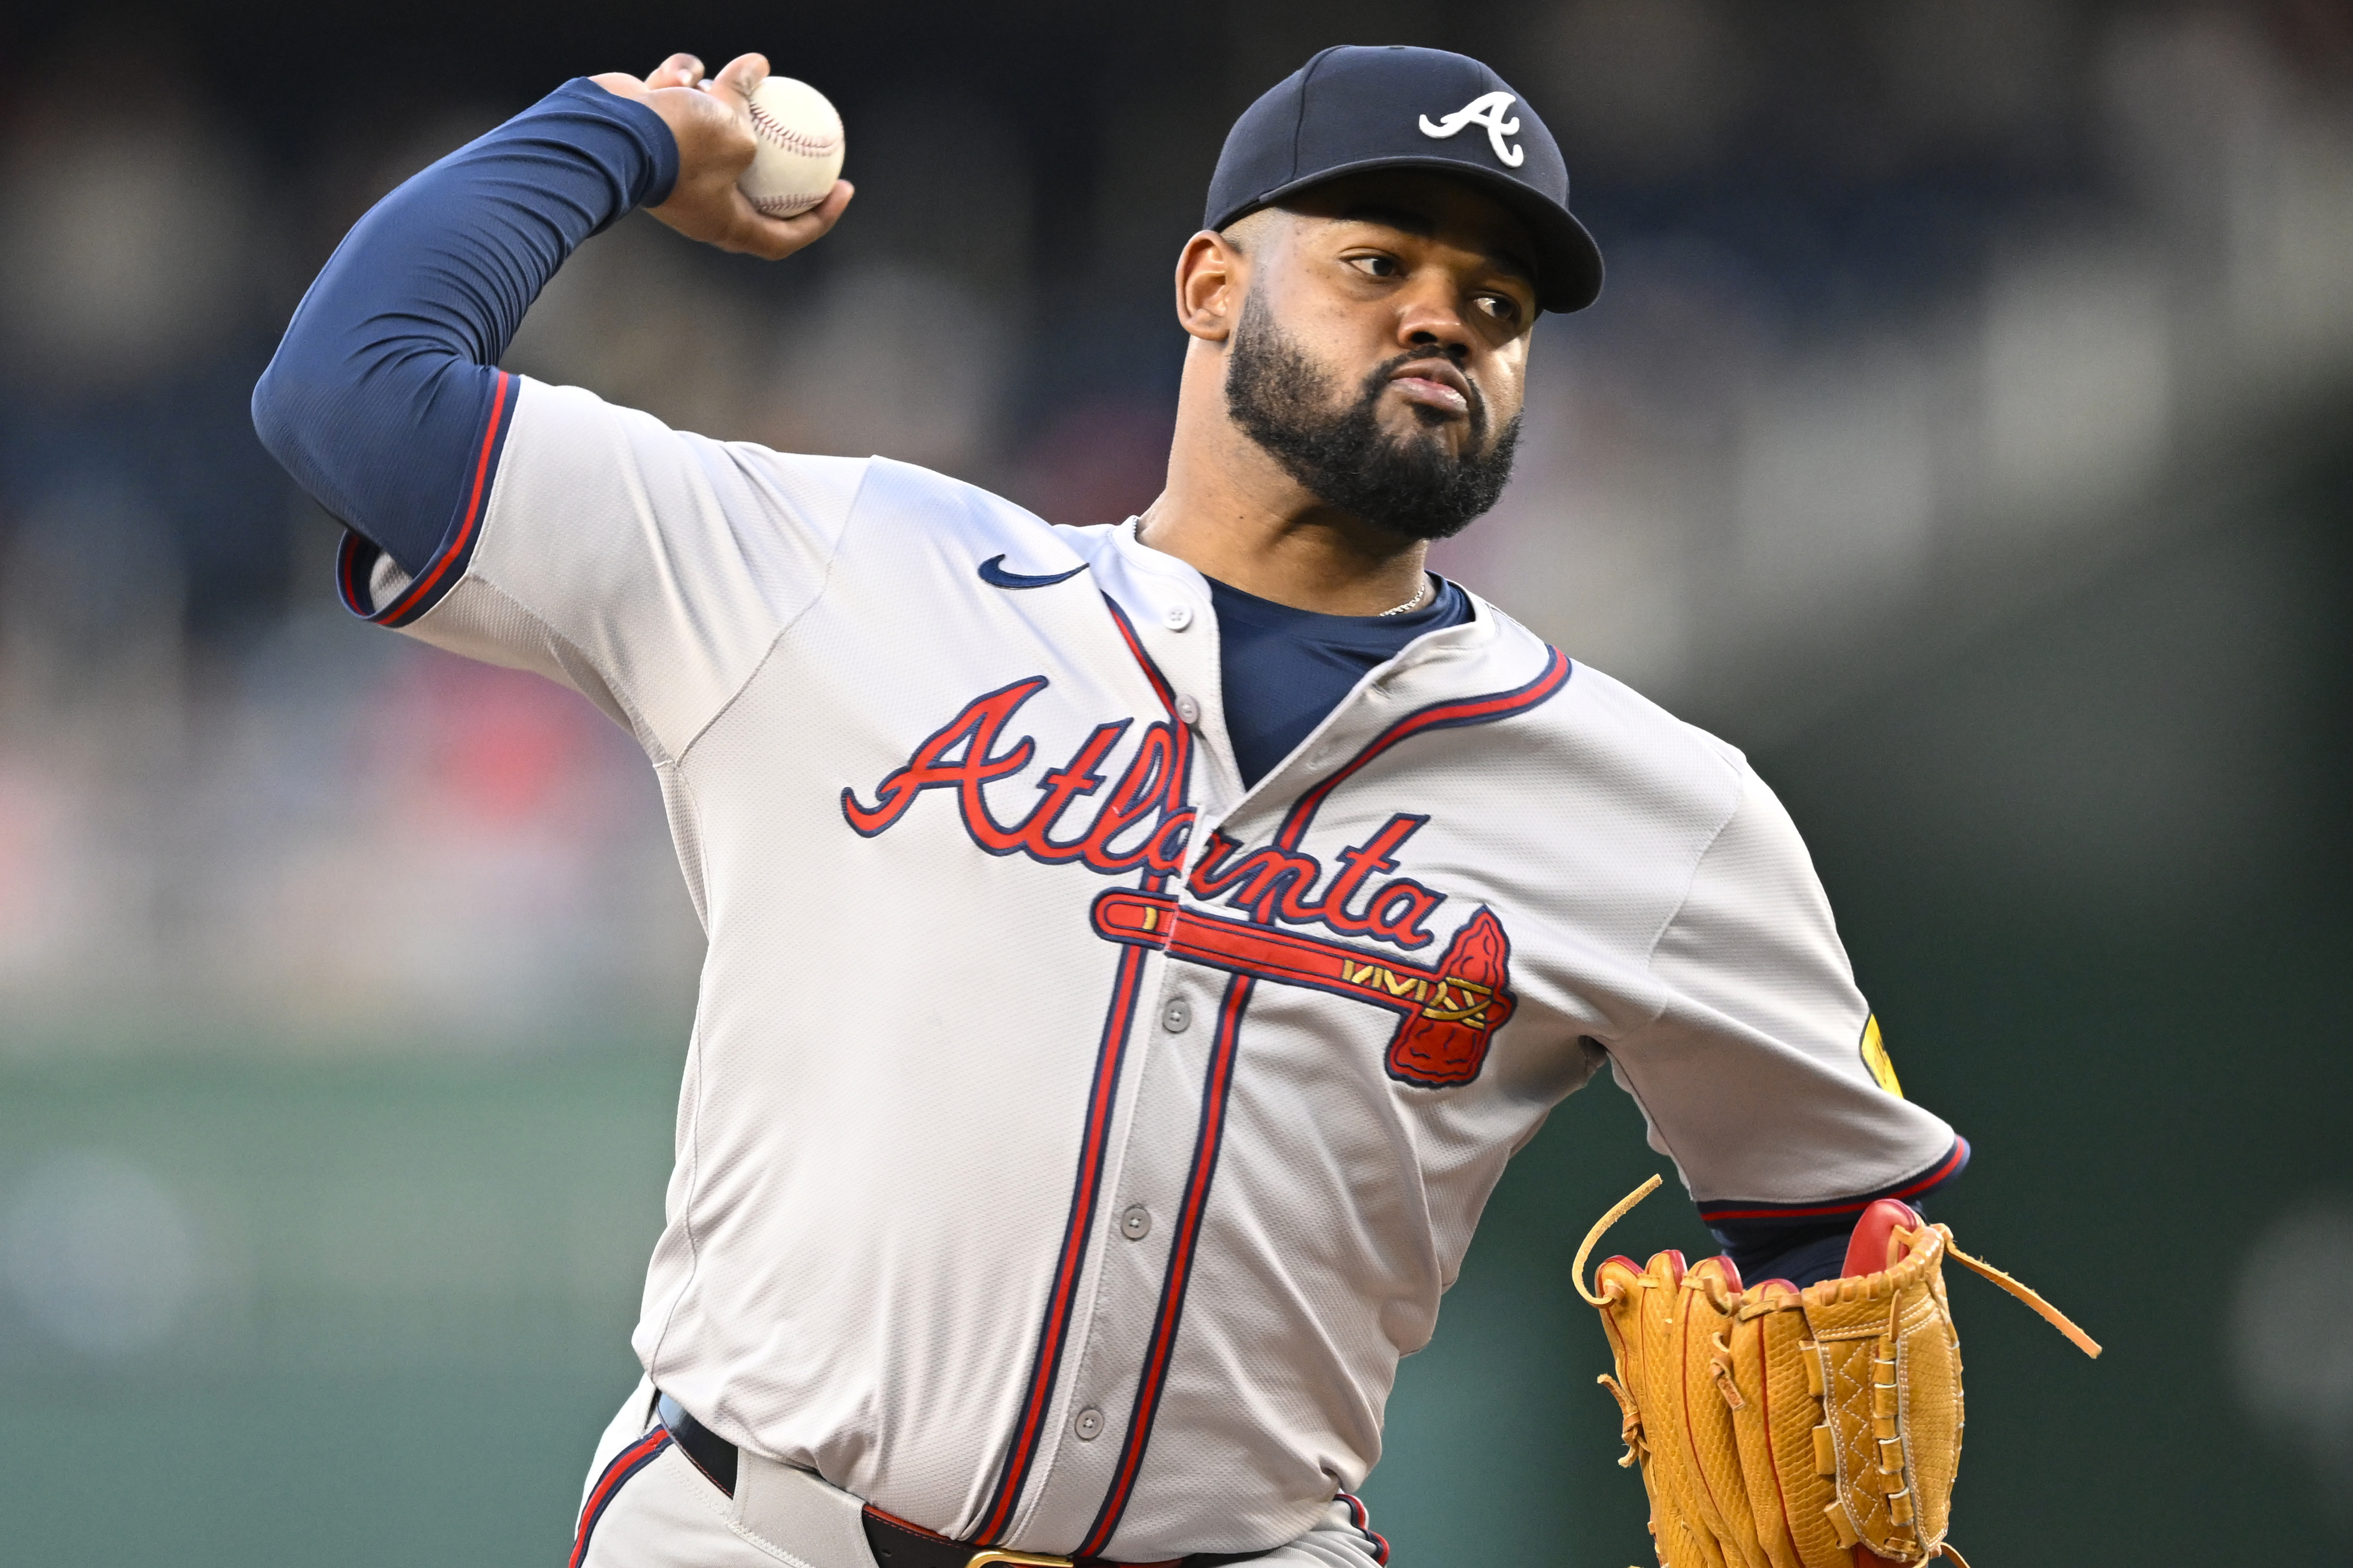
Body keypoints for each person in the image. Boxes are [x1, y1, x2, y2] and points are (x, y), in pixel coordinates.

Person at [252, 43, 1966, 1568]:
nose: (1444, 315)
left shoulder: (1655, 808)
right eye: (1377, 263)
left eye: (1497, 302)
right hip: (749, 1527)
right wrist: (613, 133)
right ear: (1212, 283)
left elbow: (1830, 1228)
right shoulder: (839, 566)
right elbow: (347, 389)